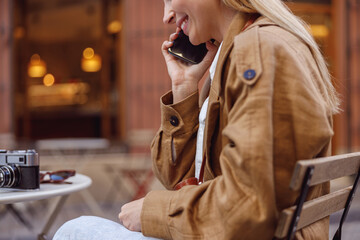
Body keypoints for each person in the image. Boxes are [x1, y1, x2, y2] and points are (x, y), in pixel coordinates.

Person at [53, 0, 340, 239]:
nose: (166, 16)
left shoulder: (257, 50)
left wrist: (152, 211)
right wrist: (184, 89)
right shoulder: (238, 50)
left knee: (76, 230)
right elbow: (175, 177)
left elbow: (247, 205)